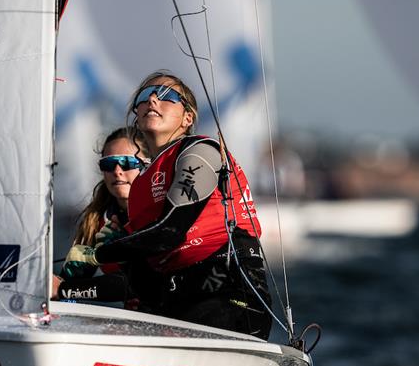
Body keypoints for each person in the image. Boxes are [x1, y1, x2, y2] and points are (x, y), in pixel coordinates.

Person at [78, 71, 273, 339]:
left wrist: (99, 254)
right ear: (137, 114)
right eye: (145, 97)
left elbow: (170, 232)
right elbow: (141, 283)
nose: (154, 100)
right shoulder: (140, 189)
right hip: (178, 300)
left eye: (167, 96)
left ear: (188, 118)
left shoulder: (200, 151)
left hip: (231, 298)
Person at [51, 127, 148, 303]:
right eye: (108, 164)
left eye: (127, 163)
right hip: (135, 322)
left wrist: (66, 290)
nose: (117, 171)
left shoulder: (164, 212)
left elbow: (145, 284)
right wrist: (67, 279)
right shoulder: (97, 220)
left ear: (149, 165)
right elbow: (64, 295)